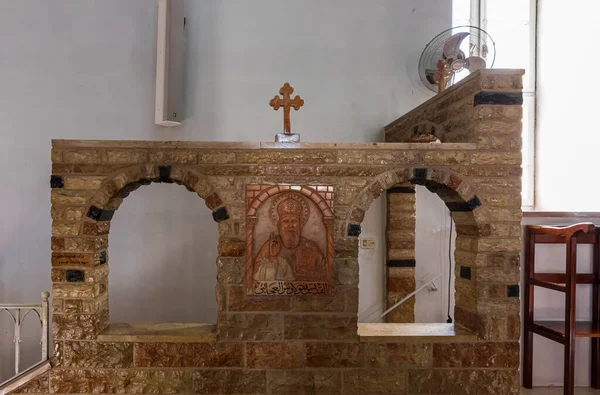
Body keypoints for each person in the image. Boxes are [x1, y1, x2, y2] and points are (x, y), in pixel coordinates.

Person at [253, 195, 326, 282]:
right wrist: (272, 259)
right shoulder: (270, 247)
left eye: (294, 221)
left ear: (300, 225)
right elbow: (255, 274)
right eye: (286, 221)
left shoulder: (313, 248)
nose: (290, 226)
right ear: (279, 226)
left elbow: (325, 273)